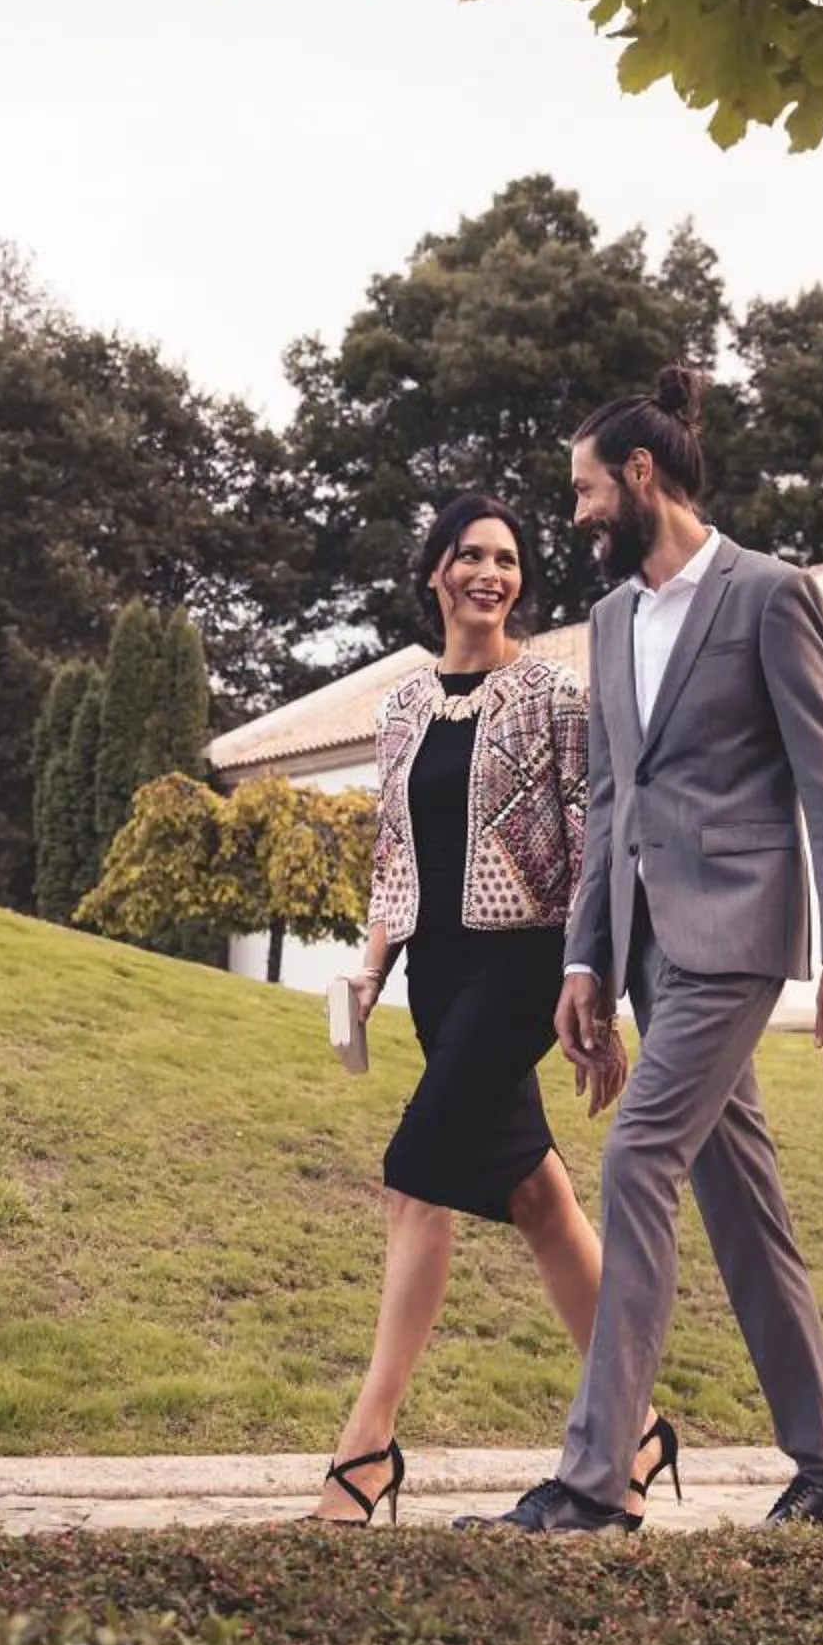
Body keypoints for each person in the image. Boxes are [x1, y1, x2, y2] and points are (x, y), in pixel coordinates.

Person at [465, 367, 823, 1536]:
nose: (581, 512)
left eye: (590, 490)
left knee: (637, 1154)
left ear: (641, 478)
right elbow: (609, 798)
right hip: (647, 944)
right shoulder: (608, 621)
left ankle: (598, 1481)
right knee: (744, 1206)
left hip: (738, 931)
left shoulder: (768, 594)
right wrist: (585, 961)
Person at [310, 492, 675, 1526]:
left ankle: (366, 1450)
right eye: (469, 555)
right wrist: (375, 968)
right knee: (536, 1200)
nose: (490, 572)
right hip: (436, 972)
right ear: (434, 572)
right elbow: (394, 854)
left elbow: (591, 842)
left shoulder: (555, 694)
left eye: (506, 559)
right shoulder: (399, 709)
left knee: (414, 1177)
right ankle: (639, 1426)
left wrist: (591, 981)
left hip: (523, 967)